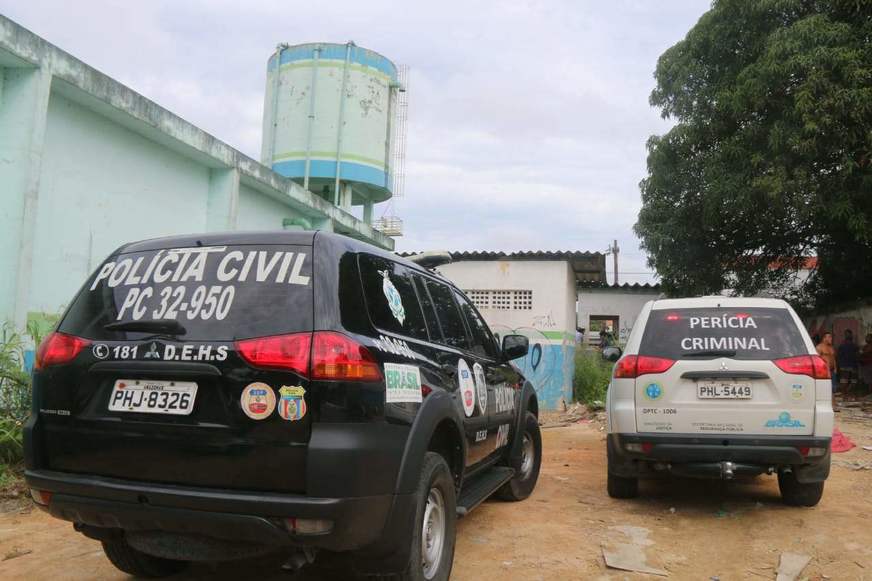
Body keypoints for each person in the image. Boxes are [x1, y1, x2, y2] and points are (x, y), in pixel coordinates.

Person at [816, 332, 837, 406]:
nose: (831, 339)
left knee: (833, 388)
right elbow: (817, 359)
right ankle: (831, 404)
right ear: (824, 338)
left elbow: (833, 358)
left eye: (831, 337)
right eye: (829, 337)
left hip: (832, 370)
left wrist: (835, 368)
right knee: (827, 387)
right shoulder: (819, 347)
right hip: (825, 370)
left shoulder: (831, 347)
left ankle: (833, 403)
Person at [837, 329, 860, 397]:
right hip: (846, 366)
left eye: (849, 334)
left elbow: (857, 355)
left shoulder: (854, 346)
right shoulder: (843, 346)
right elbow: (839, 356)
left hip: (851, 366)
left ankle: (847, 394)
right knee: (846, 381)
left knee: (852, 381)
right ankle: (846, 394)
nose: (848, 335)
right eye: (847, 334)